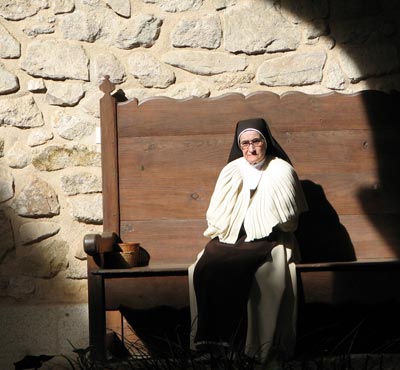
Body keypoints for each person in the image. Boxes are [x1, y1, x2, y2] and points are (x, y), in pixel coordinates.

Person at [188, 118, 308, 364]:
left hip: (269, 238)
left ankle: (241, 345)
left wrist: (261, 218)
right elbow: (217, 212)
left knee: (241, 269)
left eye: (255, 142)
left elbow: (287, 219)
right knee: (205, 265)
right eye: (244, 144)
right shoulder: (232, 170)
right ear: (239, 145)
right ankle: (211, 343)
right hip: (232, 236)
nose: (250, 149)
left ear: (265, 142)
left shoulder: (281, 170)